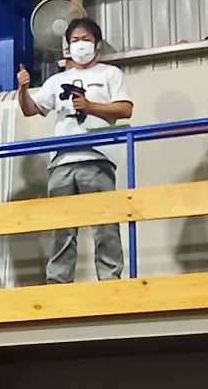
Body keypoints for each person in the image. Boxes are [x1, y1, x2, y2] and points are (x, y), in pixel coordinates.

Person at [15, 17, 134, 283]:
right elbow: (31, 109)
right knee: (62, 227)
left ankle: (110, 279)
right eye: (75, 40)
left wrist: (90, 107)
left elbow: (125, 109)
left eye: (86, 39)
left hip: (98, 157)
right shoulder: (58, 80)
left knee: (105, 224)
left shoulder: (110, 74)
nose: (80, 45)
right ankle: (58, 282)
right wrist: (23, 89)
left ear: (97, 44)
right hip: (62, 160)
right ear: (68, 45)